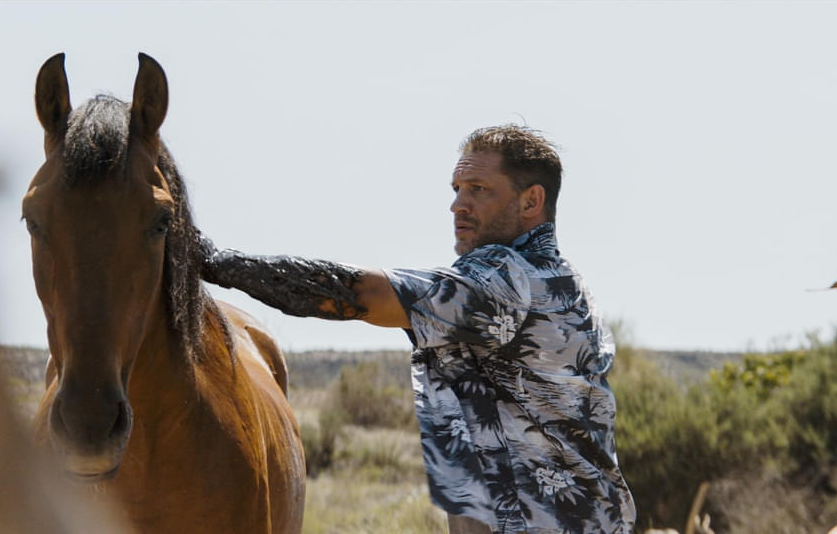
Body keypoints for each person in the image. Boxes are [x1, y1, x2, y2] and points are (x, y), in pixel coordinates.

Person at [201, 125, 635, 534]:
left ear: (530, 201)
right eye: (457, 190)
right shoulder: (560, 280)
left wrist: (217, 264)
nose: (457, 205)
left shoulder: (509, 278)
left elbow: (363, 295)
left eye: (479, 190)